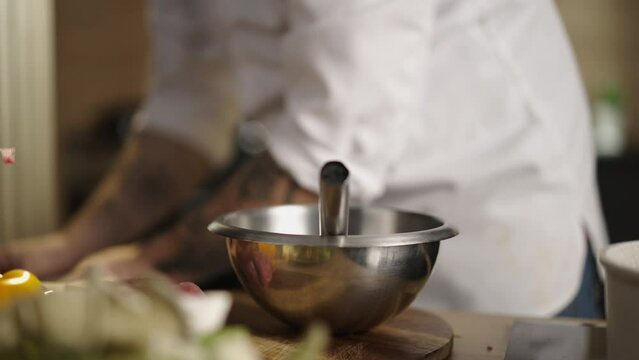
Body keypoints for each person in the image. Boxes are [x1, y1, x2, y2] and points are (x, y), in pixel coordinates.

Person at [0, 0, 608, 317]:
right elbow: (184, 112)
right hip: (343, 273)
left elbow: (324, 154)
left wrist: (140, 266)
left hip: (494, 235)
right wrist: (64, 249)